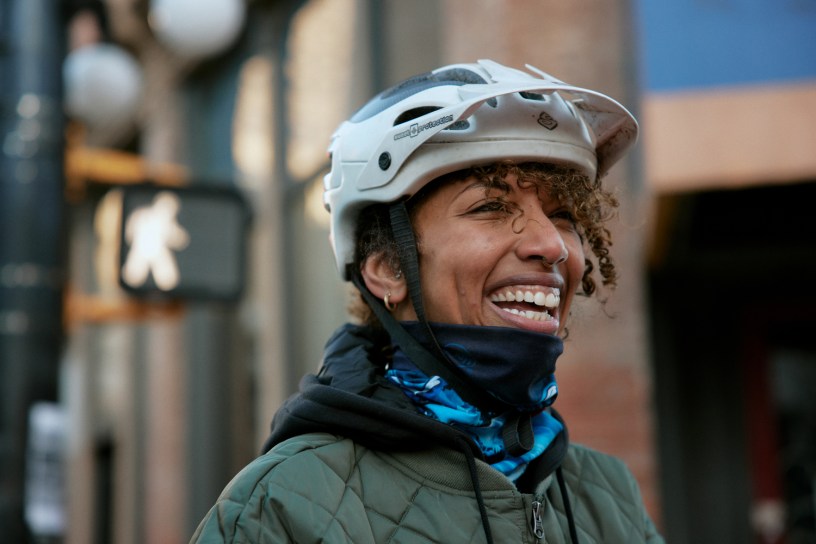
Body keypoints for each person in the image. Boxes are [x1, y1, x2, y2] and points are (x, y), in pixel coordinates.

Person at [191, 59, 663, 544]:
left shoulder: (607, 494)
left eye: (563, 216)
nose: (553, 245)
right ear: (388, 268)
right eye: (491, 207)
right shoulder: (280, 506)